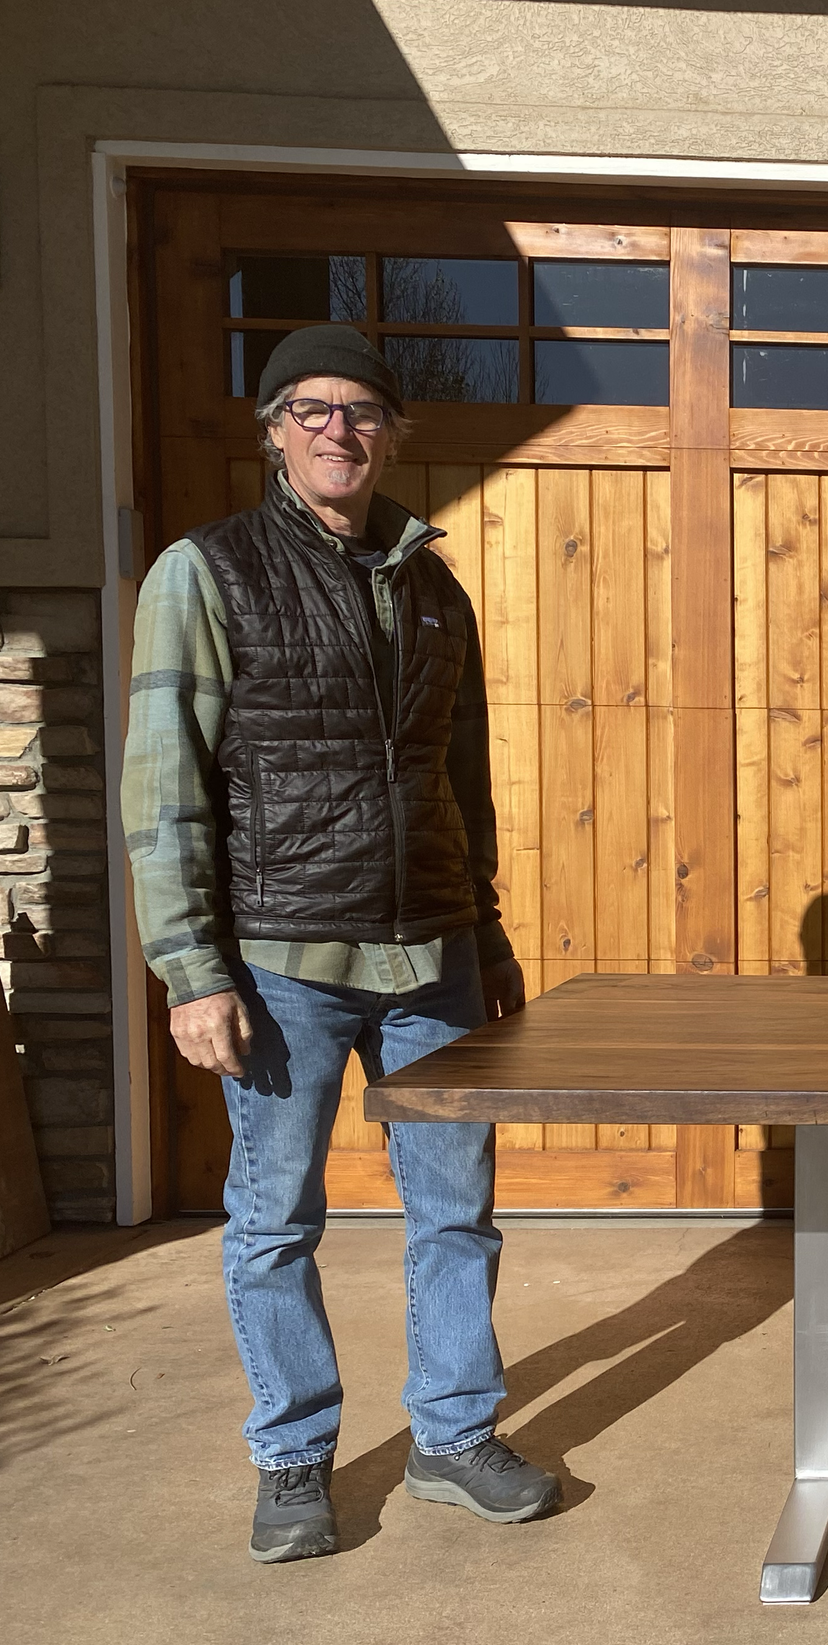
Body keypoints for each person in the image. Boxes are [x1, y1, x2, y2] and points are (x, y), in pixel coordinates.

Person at [122, 323, 559, 1562]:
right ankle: (294, 1457)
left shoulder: (433, 585)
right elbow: (163, 788)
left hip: (435, 959)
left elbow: (454, 782)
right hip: (282, 959)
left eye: (361, 410)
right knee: (274, 1220)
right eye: (309, 409)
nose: (337, 430)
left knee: (458, 1215)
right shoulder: (205, 573)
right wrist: (190, 971)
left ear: (390, 436)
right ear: (271, 432)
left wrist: (488, 934)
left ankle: (454, 1439)